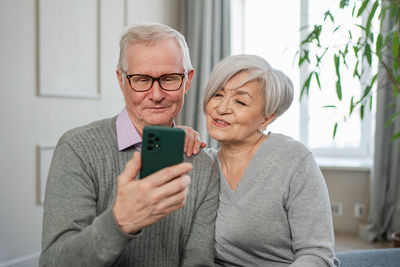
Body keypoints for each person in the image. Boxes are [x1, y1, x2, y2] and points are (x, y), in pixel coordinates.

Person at [40, 23, 219, 267]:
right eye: (142, 79)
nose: (156, 95)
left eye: (168, 78)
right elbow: (54, 263)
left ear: (187, 80)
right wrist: (119, 222)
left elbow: (198, 262)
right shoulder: (77, 149)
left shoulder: (204, 166)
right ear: (121, 80)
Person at [203, 54, 338, 266]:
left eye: (240, 101)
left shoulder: (293, 159)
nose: (222, 108)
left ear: (267, 118)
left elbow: (317, 254)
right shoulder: (202, 164)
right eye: (218, 95)